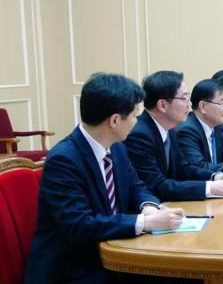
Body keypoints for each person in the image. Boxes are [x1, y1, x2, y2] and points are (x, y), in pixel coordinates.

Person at [24, 73, 184, 284]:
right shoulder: (64, 159)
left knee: (182, 275)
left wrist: (148, 207)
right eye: (135, 115)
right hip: (74, 268)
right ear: (115, 120)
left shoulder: (116, 148)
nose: (137, 122)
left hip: (111, 252)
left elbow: (137, 186)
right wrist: (145, 222)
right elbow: (80, 225)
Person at [124, 71, 223, 201]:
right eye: (184, 98)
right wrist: (210, 188)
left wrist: (215, 176)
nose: (190, 104)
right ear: (162, 105)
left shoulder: (169, 129)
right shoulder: (139, 135)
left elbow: (183, 168)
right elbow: (157, 185)